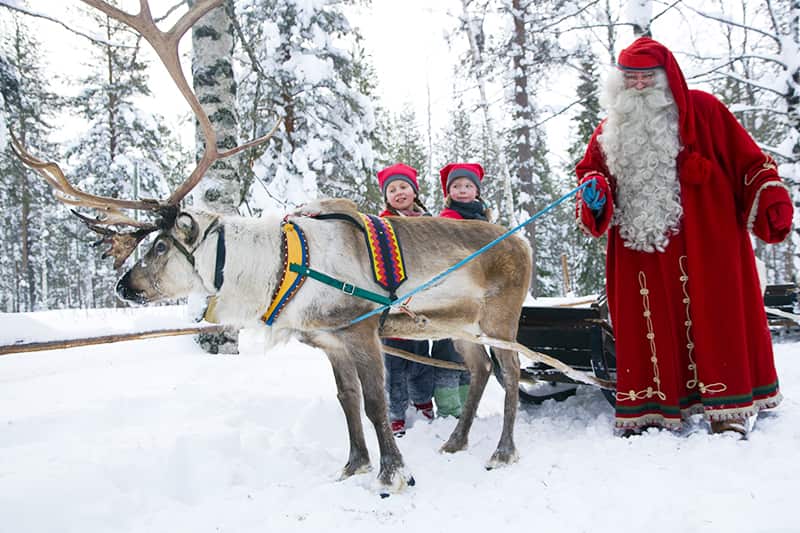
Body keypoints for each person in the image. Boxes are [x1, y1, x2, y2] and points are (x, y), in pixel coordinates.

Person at [575, 37, 793, 437]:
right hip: (640, 250)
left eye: (647, 77)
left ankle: (728, 408)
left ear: (666, 77)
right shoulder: (609, 129)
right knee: (647, 324)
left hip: (708, 242)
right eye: (630, 78)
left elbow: (750, 161)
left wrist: (771, 195)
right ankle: (650, 410)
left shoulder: (705, 111)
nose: (638, 86)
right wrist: (595, 190)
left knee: (718, 319)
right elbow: (593, 173)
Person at [376, 163, 435, 436]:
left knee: (421, 355)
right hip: (393, 299)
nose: (398, 192)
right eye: (392, 189)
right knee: (394, 361)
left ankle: (423, 401)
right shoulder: (381, 224)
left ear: (414, 190)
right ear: (386, 197)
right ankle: (396, 412)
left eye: (403, 187)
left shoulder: (428, 220)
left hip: (423, 298)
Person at [430, 162, 489, 417]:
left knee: (469, 349)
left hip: (475, 293)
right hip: (450, 292)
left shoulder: (483, 217)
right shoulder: (448, 218)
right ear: (448, 191)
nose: (462, 190)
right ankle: (447, 406)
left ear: (476, 190)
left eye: (467, 185)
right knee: (447, 348)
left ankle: (466, 404)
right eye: (456, 186)